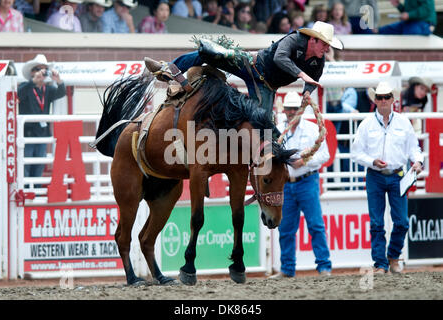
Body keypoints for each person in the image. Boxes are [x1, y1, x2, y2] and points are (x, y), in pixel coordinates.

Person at [144, 21, 343, 116]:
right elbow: (280, 57)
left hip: (267, 87)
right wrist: (301, 75)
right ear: (314, 40)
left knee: (263, 122)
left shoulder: (318, 60)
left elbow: (313, 81)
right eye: (325, 44)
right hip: (252, 65)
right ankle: (169, 68)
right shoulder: (294, 39)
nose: (327, 49)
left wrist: (307, 93)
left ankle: (259, 171)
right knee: (209, 52)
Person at [351, 81, 424, 274]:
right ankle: (381, 263)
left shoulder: (403, 122)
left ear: (393, 99)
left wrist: (417, 161)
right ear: (375, 100)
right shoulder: (366, 124)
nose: (383, 101)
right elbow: (356, 153)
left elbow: (414, 148)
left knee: (401, 222)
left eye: (386, 97)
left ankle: (392, 257)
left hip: (398, 175)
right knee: (377, 223)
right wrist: (372, 161)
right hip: (375, 175)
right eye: (380, 97)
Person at [269, 91, 332, 279]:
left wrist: (305, 162)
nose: (291, 112)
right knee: (286, 228)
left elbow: (324, 155)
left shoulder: (311, 129)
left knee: (315, 225)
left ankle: (323, 266)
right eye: (288, 109)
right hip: (288, 184)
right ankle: (289, 268)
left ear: (300, 110)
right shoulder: (278, 129)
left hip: (306, 180)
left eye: (294, 109)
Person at [18, 54, 66, 182]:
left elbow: (61, 92)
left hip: (42, 134)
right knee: (25, 165)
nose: (42, 72)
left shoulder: (48, 89)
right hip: (27, 134)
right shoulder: (25, 86)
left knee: (39, 165)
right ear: (32, 72)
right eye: (38, 69)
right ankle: (26, 193)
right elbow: (18, 95)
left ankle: (36, 192)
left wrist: (58, 80)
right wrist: (33, 81)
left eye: (44, 69)